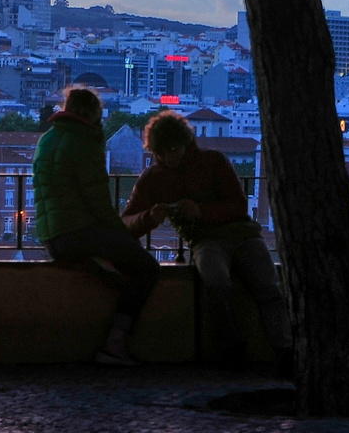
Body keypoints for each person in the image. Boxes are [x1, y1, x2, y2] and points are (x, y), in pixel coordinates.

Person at [121, 111, 292, 377]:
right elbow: (128, 221)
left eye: (174, 150)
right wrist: (148, 217)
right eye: (162, 153)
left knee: (268, 286)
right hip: (206, 241)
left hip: (241, 235)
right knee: (217, 283)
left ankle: (285, 351)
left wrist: (200, 212)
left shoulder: (214, 162)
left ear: (186, 143)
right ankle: (232, 350)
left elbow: (238, 205)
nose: (168, 158)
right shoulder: (153, 177)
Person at [32, 86, 159, 365]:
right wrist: (124, 234)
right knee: (147, 268)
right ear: (93, 114)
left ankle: (100, 266)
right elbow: (99, 202)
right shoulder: (84, 143)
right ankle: (115, 343)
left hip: (52, 237)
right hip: (79, 233)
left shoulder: (47, 139)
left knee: (115, 269)